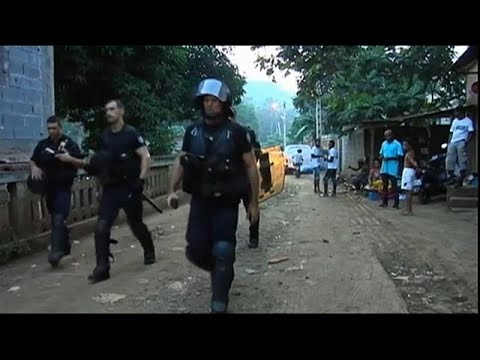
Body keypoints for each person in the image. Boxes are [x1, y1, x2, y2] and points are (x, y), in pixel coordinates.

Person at [167, 78, 260, 314]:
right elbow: (181, 160)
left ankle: (220, 300)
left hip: (226, 202)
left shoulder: (237, 133)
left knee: (223, 250)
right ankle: (221, 269)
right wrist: (172, 190)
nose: (210, 104)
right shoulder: (192, 131)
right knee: (195, 250)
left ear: (224, 103)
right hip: (200, 200)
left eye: (215, 100)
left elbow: (251, 167)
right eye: (206, 100)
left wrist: (254, 203)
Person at [55, 99, 155, 283]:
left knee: (136, 225)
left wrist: (141, 179)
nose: (108, 112)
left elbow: (145, 156)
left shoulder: (131, 134)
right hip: (111, 188)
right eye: (106, 110)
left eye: (112, 109)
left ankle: (149, 250)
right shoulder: (105, 137)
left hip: (130, 187)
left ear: (121, 111)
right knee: (101, 227)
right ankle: (102, 268)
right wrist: (74, 162)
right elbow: (99, 163)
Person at [29, 115, 83, 268]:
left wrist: (69, 159)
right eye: (49, 129)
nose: (51, 131)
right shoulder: (43, 145)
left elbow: (81, 163)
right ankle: (65, 246)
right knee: (55, 217)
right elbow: (33, 159)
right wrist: (34, 167)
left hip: (63, 187)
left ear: (60, 127)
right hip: (48, 187)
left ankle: (56, 251)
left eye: (54, 128)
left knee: (59, 217)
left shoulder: (70, 144)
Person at [230, 113, 261, 249]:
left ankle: (253, 237)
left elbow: (257, 154)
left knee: (252, 206)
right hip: (231, 179)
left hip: (245, 178)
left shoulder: (244, 133)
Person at [446, 108, 474, 187]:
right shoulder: (455, 121)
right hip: (453, 142)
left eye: (457, 111)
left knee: (462, 159)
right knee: (450, 159)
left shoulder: (468, 121)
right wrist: (449, 142)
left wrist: (466, 141)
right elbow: (451, 132)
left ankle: (461, 178)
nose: (456, 113)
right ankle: (452, 177)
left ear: (461, 112)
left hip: (461, 141)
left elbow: (470, 132)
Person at [379, 129, 403, 209]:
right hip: (384, 168)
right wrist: (381, 157)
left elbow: (400, 156)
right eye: (386, 135)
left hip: (393, 168)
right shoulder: (384, 143)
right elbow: (381, 153)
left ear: (392, 135)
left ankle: (396, 204)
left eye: (389, 135)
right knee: (384, 186)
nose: (387, 137)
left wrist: (389, 158)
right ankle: (384, 202)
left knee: (394, 187)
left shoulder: (397, 144)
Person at [401, 138, 418, 216]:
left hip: (408, 171)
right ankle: (408, 209)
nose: (404, 146)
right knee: (408, 192)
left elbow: (413, 163)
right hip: (409, 171)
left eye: (405, 145)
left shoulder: (409, 154)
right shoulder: (411, 152)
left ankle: (408, 210)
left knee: (408, 192)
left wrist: (414, 163)